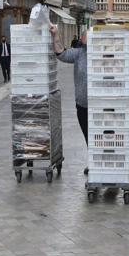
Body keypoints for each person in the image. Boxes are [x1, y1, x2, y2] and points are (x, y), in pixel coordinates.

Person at [50, 25, 89, 175]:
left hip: (102, 105)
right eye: (85, 36)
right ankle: (94, 162)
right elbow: (61, 53)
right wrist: (56, 35)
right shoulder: (78, 54)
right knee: (88, 136)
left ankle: (105, 163)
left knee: (103, 135)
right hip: (83, 105)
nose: (86, 38)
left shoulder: (104, 54)